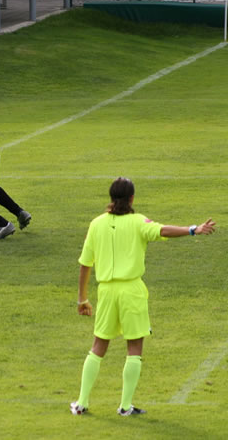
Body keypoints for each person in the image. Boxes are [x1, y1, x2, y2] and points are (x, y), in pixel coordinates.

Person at [70, 177, 216, 417]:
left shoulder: (96, 224)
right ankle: (125, 406)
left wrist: (82, 299)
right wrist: (193, 229)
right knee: (134, 346)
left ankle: (82, 403)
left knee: (98, 346)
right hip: (132, 291)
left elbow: (85, 264)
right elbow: (162, 230)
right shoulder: (138, 222)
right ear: (132, 198)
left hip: (106, 291)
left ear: (110, 198)